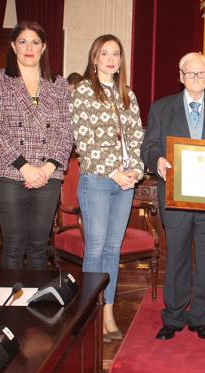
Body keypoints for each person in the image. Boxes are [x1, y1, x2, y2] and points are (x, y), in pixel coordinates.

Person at [141, 52, 205, 341]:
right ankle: (173, 317)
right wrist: (157, 160)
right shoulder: (161, 108)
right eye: (190, 73)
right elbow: (149, 146)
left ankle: (199, 316)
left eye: (202, 74)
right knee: (178, 256)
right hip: (175, 196)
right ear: (181, 76)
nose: (196, 78)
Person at [71, 34, 145, 342]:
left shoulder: (128, 94)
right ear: (94, 58)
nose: (111, 59)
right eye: (105, 53)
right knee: (96, 248)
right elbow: (82, 141)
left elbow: (137, 137)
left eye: (116, 54)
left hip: (124, 182)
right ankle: (89, 313)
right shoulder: (83, 91)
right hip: (98, 180)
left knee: (114, 249)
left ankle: (109, 311)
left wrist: (135, 171)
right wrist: (114, 172)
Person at [0, 21, 73, 270]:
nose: (28, 47)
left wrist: (46, 169)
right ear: (13, 46)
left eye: (35, 42)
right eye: (22, 41)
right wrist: (25, 167)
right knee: (14, 245)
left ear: (43, 47)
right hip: (10, 173)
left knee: (38, 246)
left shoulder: (59, 84)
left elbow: (67, 132)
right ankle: (12, 307)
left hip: (49, 175)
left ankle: (35, 306)